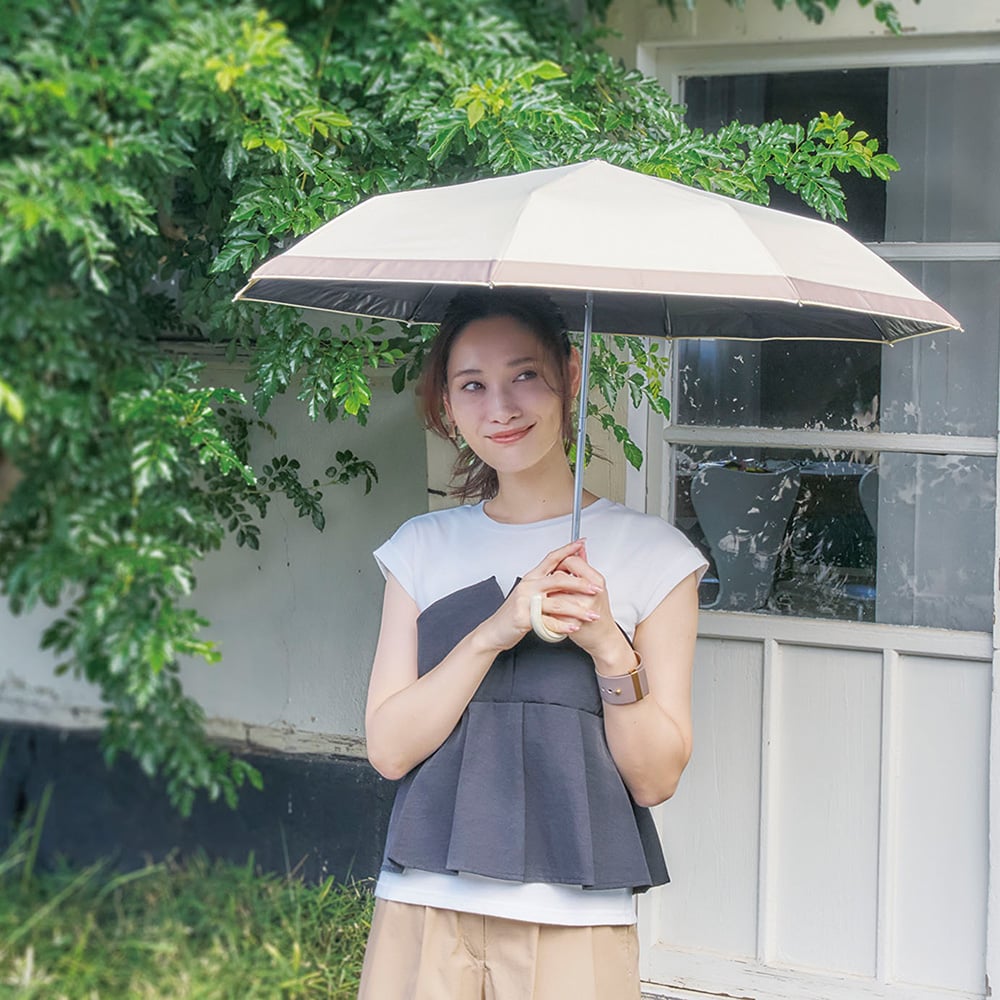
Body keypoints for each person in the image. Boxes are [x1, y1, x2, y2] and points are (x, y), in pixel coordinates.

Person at [358, 289, 707, 1000]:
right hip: (424, 904)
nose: (501, 408)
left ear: (570, 375)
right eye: (472, 385)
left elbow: (654, 780)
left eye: (525, 375)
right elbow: (389, 750)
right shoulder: (420, 549)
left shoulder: (656, 557)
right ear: (447, 402)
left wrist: (609, 647)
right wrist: (496, 631)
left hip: (576, 920)